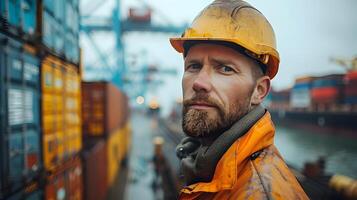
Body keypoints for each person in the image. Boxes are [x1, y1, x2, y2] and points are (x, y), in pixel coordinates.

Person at [170, 0, 309, 199]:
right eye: (193, 66)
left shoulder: (261, 193)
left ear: (259, 91)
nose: (199, 83)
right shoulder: (203, 161)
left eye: (225, 69)